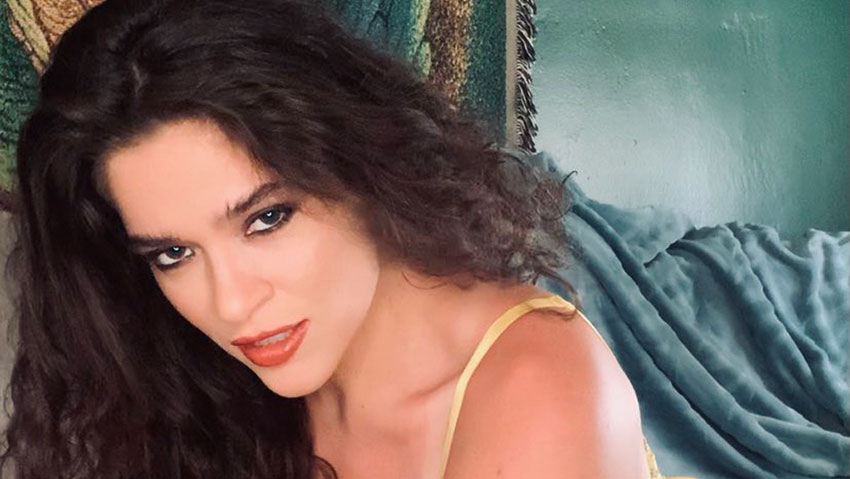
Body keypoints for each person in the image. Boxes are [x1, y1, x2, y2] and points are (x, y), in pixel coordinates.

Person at [0, 0, 653, 477]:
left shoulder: (538, 390)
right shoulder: (208, 399)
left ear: (361, 166)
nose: (231, 303)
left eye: (267, 219)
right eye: (174, 253)